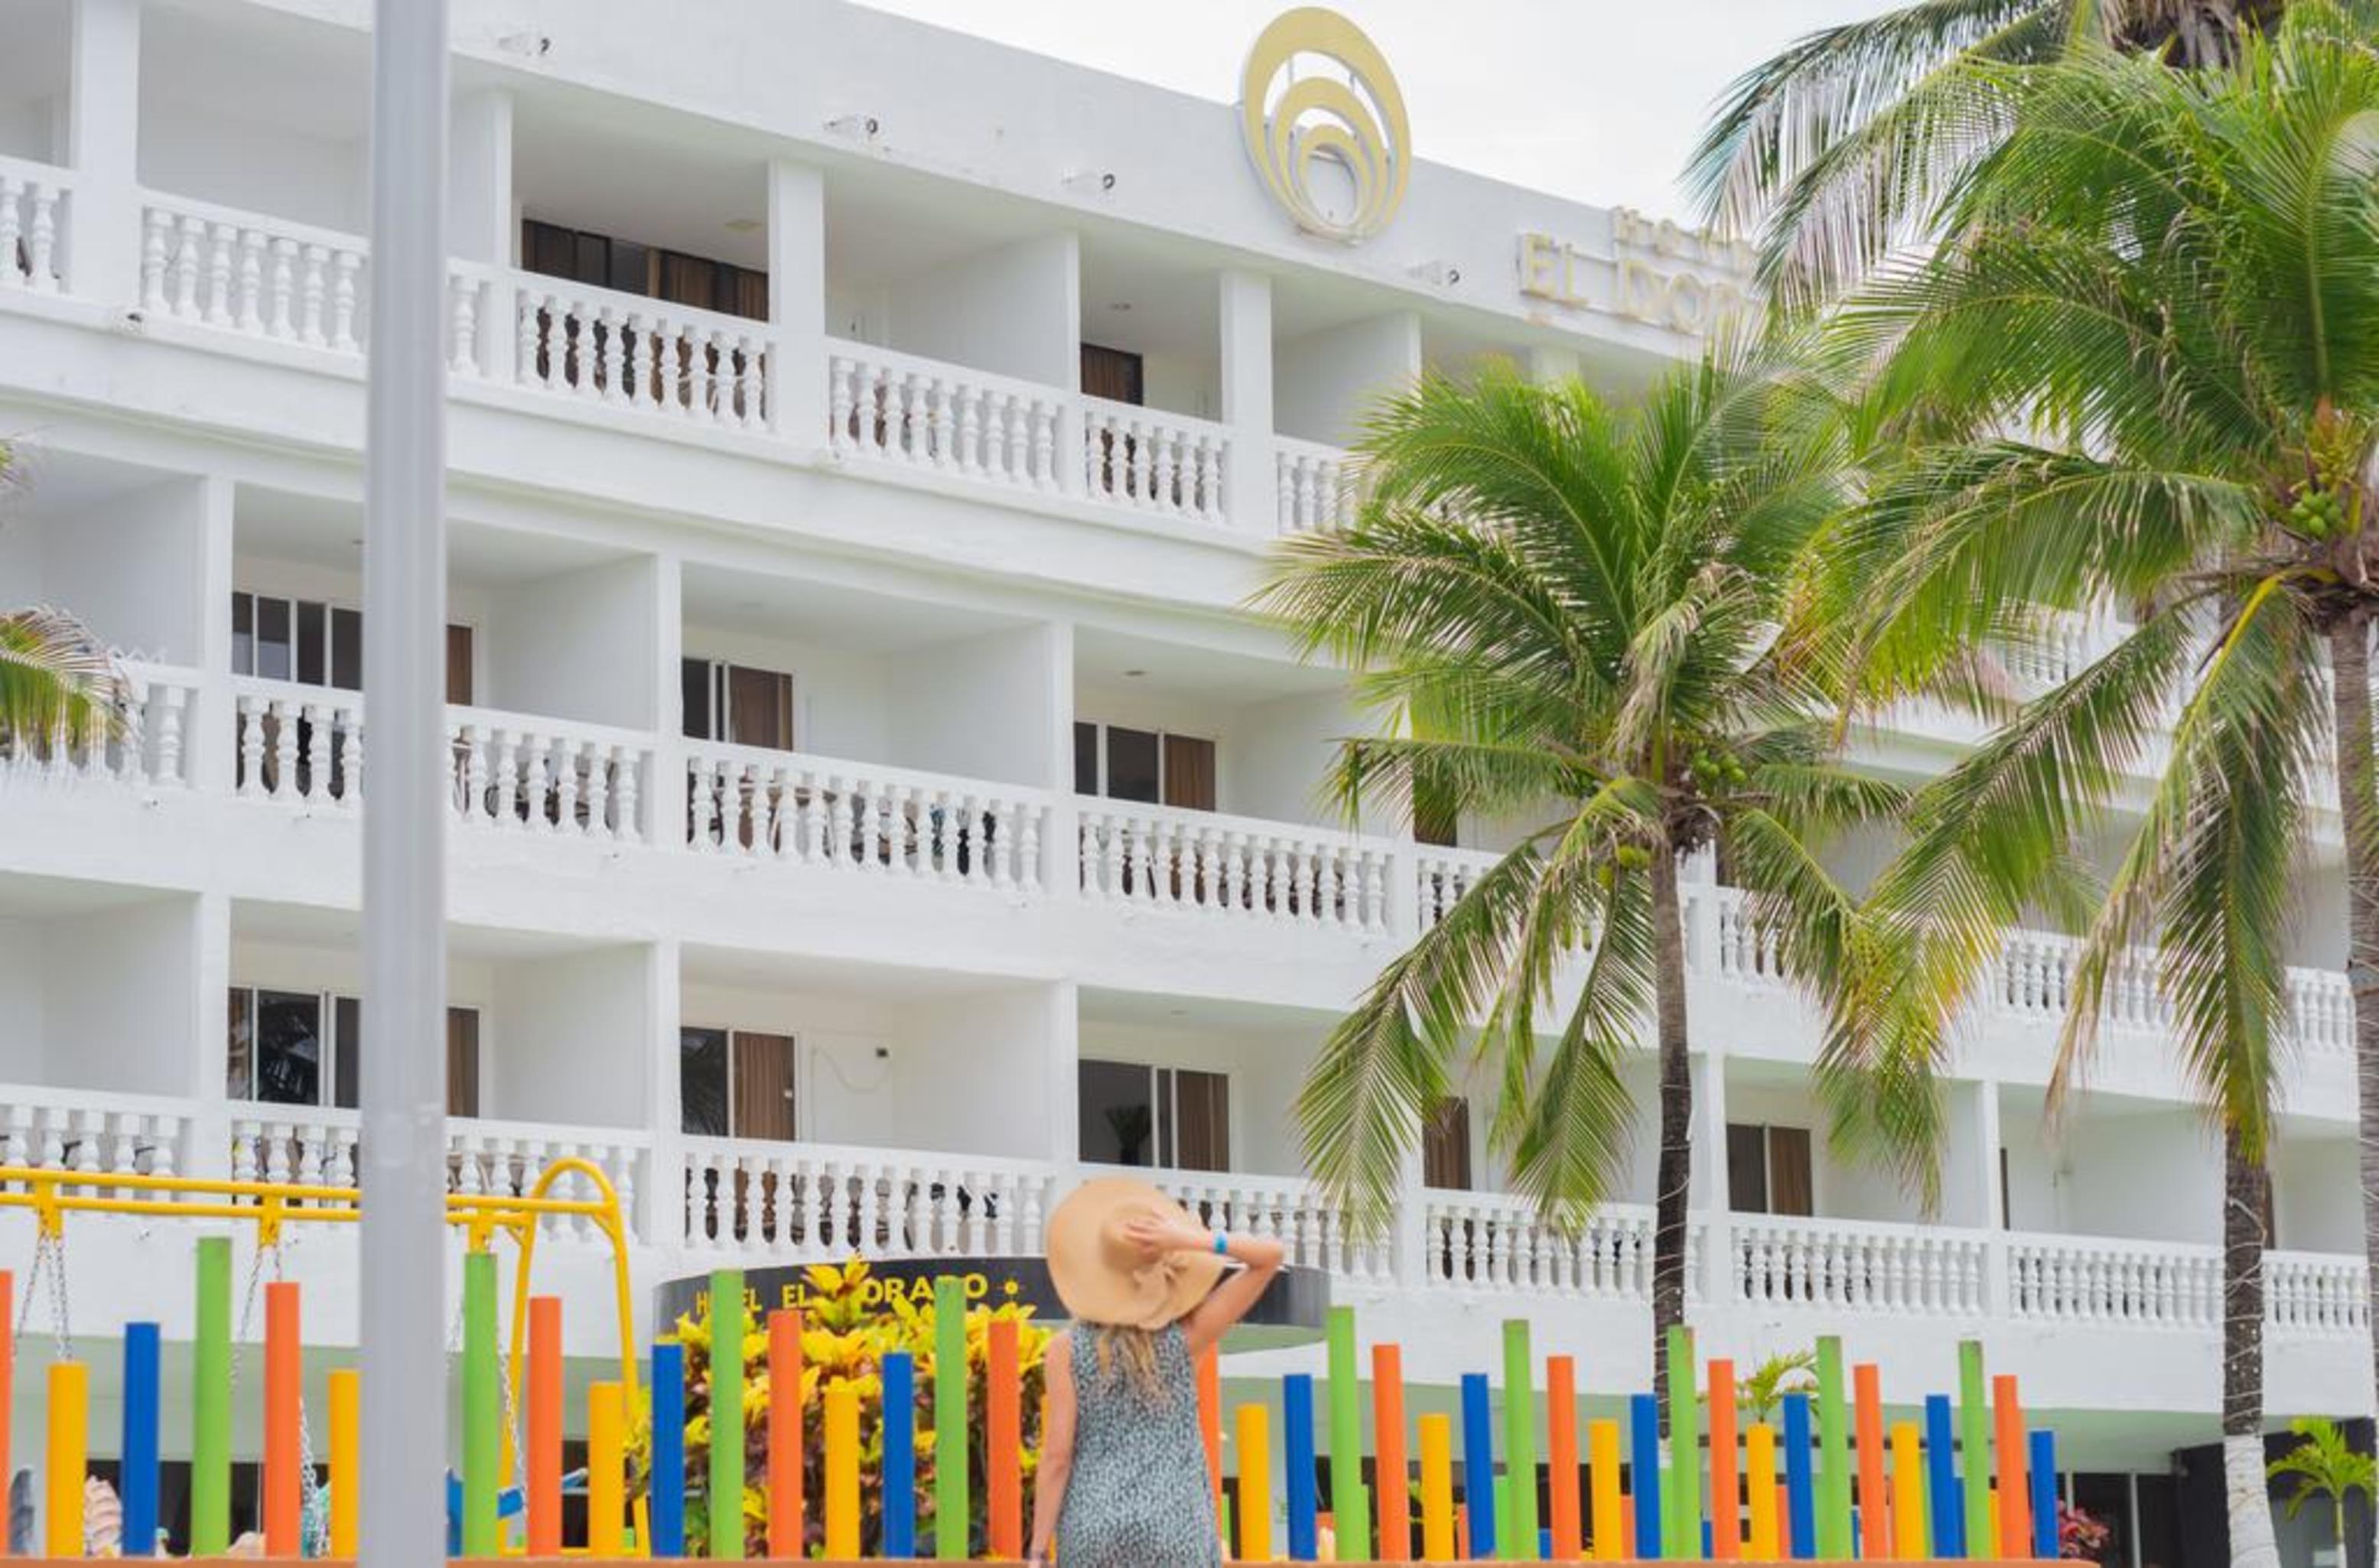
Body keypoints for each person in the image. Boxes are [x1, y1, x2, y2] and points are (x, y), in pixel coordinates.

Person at [1027, 1176, 1287, 1567]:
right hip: (1176, 1525)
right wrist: (1189, 1240)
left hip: (1093, 1526)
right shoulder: (1186, 1338)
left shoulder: (1065, 1349)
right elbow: (1269, 1256)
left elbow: (1057, 1456)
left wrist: (1036, 1550)